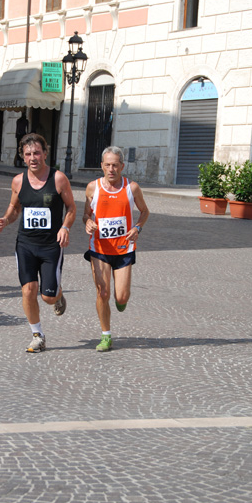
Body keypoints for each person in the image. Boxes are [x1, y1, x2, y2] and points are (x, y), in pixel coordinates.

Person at [0, 133, 76, 352]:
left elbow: (71, 208)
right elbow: (14, 209)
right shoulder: (18, 181)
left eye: (37, 153)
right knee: (28, 291)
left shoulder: (58, 179)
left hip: (51, 246)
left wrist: (65, 227)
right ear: (22, 156)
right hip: (26, 244)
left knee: (47, 297)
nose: (33, 158)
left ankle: (57, 295)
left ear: (45, 153)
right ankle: (37, 335)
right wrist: (5, 219)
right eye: (28, 154)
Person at [83, 146, 149, 352]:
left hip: (123, 249)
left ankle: (121, 302)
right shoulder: (92, 188)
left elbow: (145, 212)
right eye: (107, 165)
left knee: (121, 297)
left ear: (122, 166)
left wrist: (137, 227)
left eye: (115, 165)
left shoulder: (132, 188)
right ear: (102, 166)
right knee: (103, 292)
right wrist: (87, 223)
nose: (111, 169)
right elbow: (86, 215)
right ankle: (106, 336)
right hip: (99, 248)